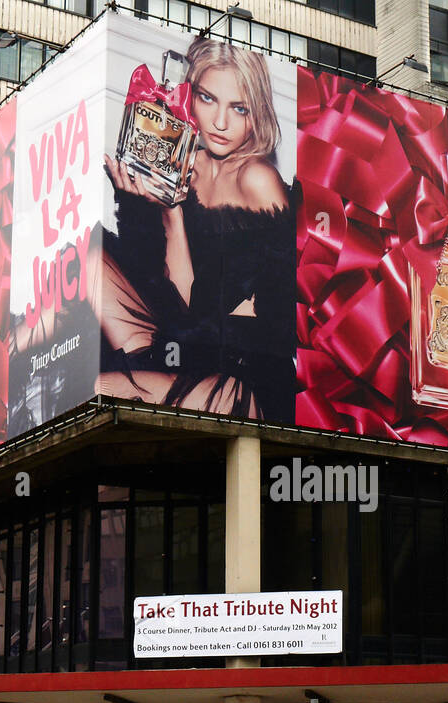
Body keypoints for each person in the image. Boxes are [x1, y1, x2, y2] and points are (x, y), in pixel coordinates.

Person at [96, 36, 297, 422]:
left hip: (240, 375)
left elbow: (201, 309)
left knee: (101, 389)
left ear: (258, 113)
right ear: (189, 97)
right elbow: (157, 282)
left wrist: (173, 216)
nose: (221, 123)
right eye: (207, 99)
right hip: (183, 343)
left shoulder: (257, 179)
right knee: (90, 255)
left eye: (239, 108)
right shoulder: (190, 160)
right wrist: (140, 205)